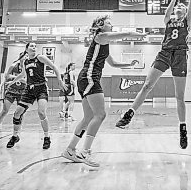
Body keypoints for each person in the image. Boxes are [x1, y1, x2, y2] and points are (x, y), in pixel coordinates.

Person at [115, 0, 191, 150]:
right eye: (177, 7)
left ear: (186, 11)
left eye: (181, 6)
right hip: (164, 53)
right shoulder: (168, 20)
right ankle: (129, 114)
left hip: (180, 54)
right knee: (147, 85)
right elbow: (167, 12)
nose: (179, 7)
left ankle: (182, 128)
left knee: (179, 96)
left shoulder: (187, 21)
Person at [62, 15, 145, 167]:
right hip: (89, 77)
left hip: (86, 78)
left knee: (88, 118)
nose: (111, 25)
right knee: (100, 114)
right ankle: (84, 151)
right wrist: (138, 34)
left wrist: (129, 64)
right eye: (108, 22)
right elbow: (123, 35)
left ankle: (70, 149)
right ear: (100, 26)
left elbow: (113, 64)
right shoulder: (100, 36)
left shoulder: (103, 44)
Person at [6, 42, 61, 150]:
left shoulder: (40, 57)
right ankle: (15, 136)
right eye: (31, 46)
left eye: (35, 46)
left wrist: (59, 79)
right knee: (17, 113)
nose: (34, 47)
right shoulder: (24, 61)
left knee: (41, 112)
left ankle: (46, 137)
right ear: (26, 49)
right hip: (29, 89)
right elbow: (23, 75)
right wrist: (11, 82)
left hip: (41, 88)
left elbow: (54, 66)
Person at [0, 52, 27, 140]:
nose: (27, 57)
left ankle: (16, 132)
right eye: (25, 56)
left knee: (20, 113)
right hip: (11, 91)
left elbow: (27, 81)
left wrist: (20, 79)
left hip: (22, 92)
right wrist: (0, 86)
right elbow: (6, 77)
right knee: (4, 111)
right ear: (21, 57)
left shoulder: (28, 68)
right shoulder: (13, 66)